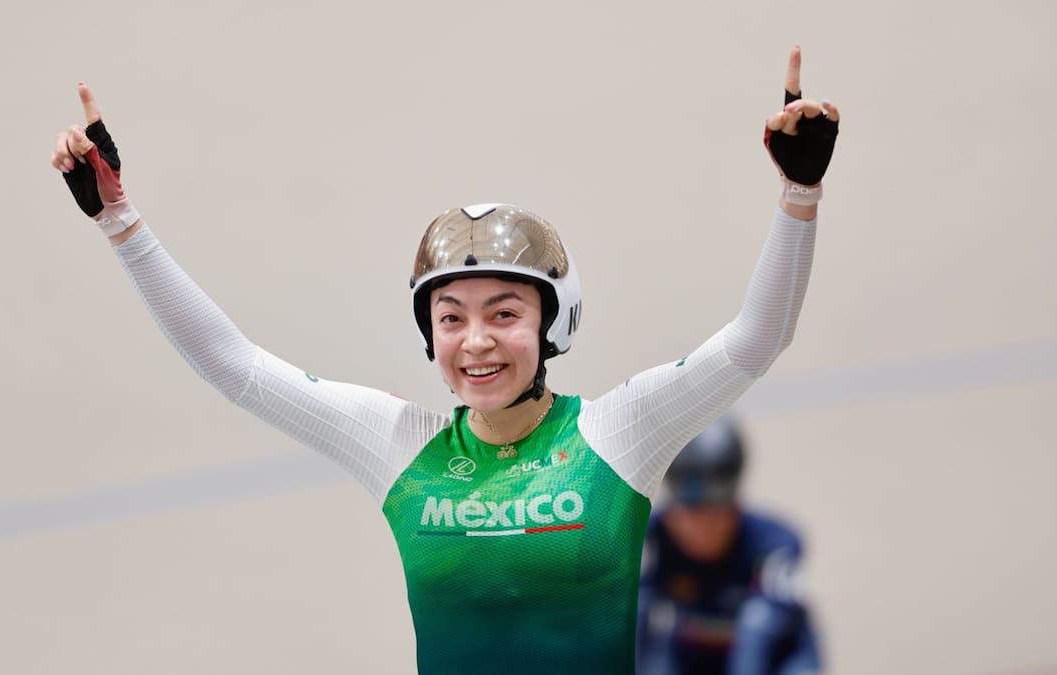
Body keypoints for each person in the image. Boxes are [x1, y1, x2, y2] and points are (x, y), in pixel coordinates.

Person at [48, 44, 839, 675]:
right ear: (430, 335)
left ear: (554, 321)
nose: (477, 341)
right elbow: (234, 365)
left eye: (505, 313)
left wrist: (798, 197)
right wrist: (120, 220)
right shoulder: (399, 443)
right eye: (451, 318)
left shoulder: (619, 431)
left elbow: (755, 341)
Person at [635, 417, 823, 675]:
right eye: (692, 513)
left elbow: (764, 637)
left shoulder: (775, 544)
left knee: (757, 623)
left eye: (717, 512)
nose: (703, 527)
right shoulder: (650, 539)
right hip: (692, 657)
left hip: (776, 658)